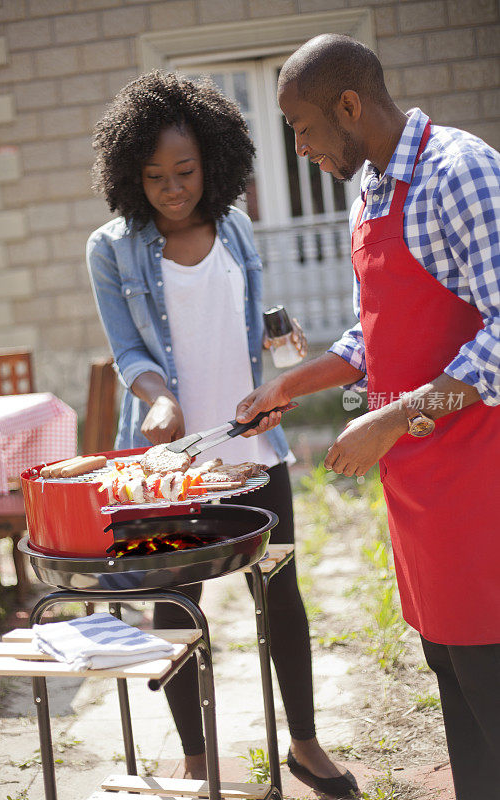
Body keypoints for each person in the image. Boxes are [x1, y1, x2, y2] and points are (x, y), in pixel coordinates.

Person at [235, 34, 500, 800]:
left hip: (478, 478)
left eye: (302, 126)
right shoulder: (371, 191)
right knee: (448, 669)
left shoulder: (461, 172)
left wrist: (389, 422)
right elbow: (371, 333)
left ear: (348, 106)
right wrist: (289, 387)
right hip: (421, 487)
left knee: (487, 674)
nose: (299, 146)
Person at [86, 72, 359, 798]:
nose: (171, 189)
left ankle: (302, 744)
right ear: (128, 174)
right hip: (172, 465)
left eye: (184, 171)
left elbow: (244, 319)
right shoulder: (111, 249)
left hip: (251, 451)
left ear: (210, 162)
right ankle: (197, 759)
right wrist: (155, 401)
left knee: (282, 595)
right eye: (153, 177)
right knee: (178, 607)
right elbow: (130, 352)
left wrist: (280, 343)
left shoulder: (234, 226)